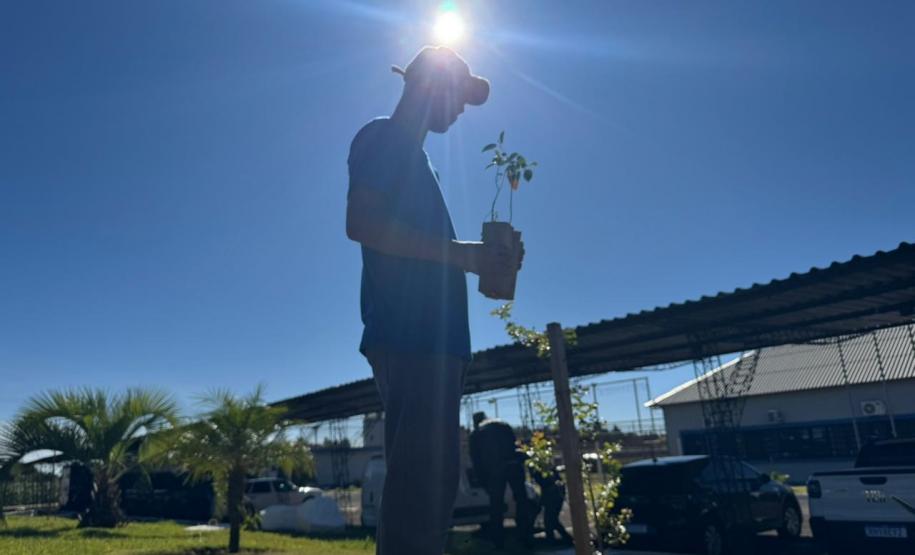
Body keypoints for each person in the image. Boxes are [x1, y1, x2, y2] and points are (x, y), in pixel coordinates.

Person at [346, 47, 522, 555]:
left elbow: (425, 250)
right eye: (460, 96)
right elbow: (362, 223)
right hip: (412, 337)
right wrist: (465, 256)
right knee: (421, 495)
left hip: (431, 342)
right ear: (427, 86)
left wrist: (492, 259)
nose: (463, 110)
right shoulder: (384, 139)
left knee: (432, 491)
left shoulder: (419, 164)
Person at [469, 411, 534, 548]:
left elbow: (476, 460)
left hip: (495, 469)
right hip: (513, 465)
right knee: (521, 500)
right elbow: (514, 445)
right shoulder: (503, 425)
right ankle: (525, 535)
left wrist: (483, 481)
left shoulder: (477, 433)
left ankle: (498, 540)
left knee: (496, 505)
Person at [532, 467, 574, 545]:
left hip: (554, 495)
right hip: (554, 494)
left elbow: (546, 485)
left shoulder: (540, 469)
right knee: (551, 520)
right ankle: (558, 539)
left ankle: (556, 540)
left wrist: (541, 501)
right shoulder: (546, 467)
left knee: (550, 519)